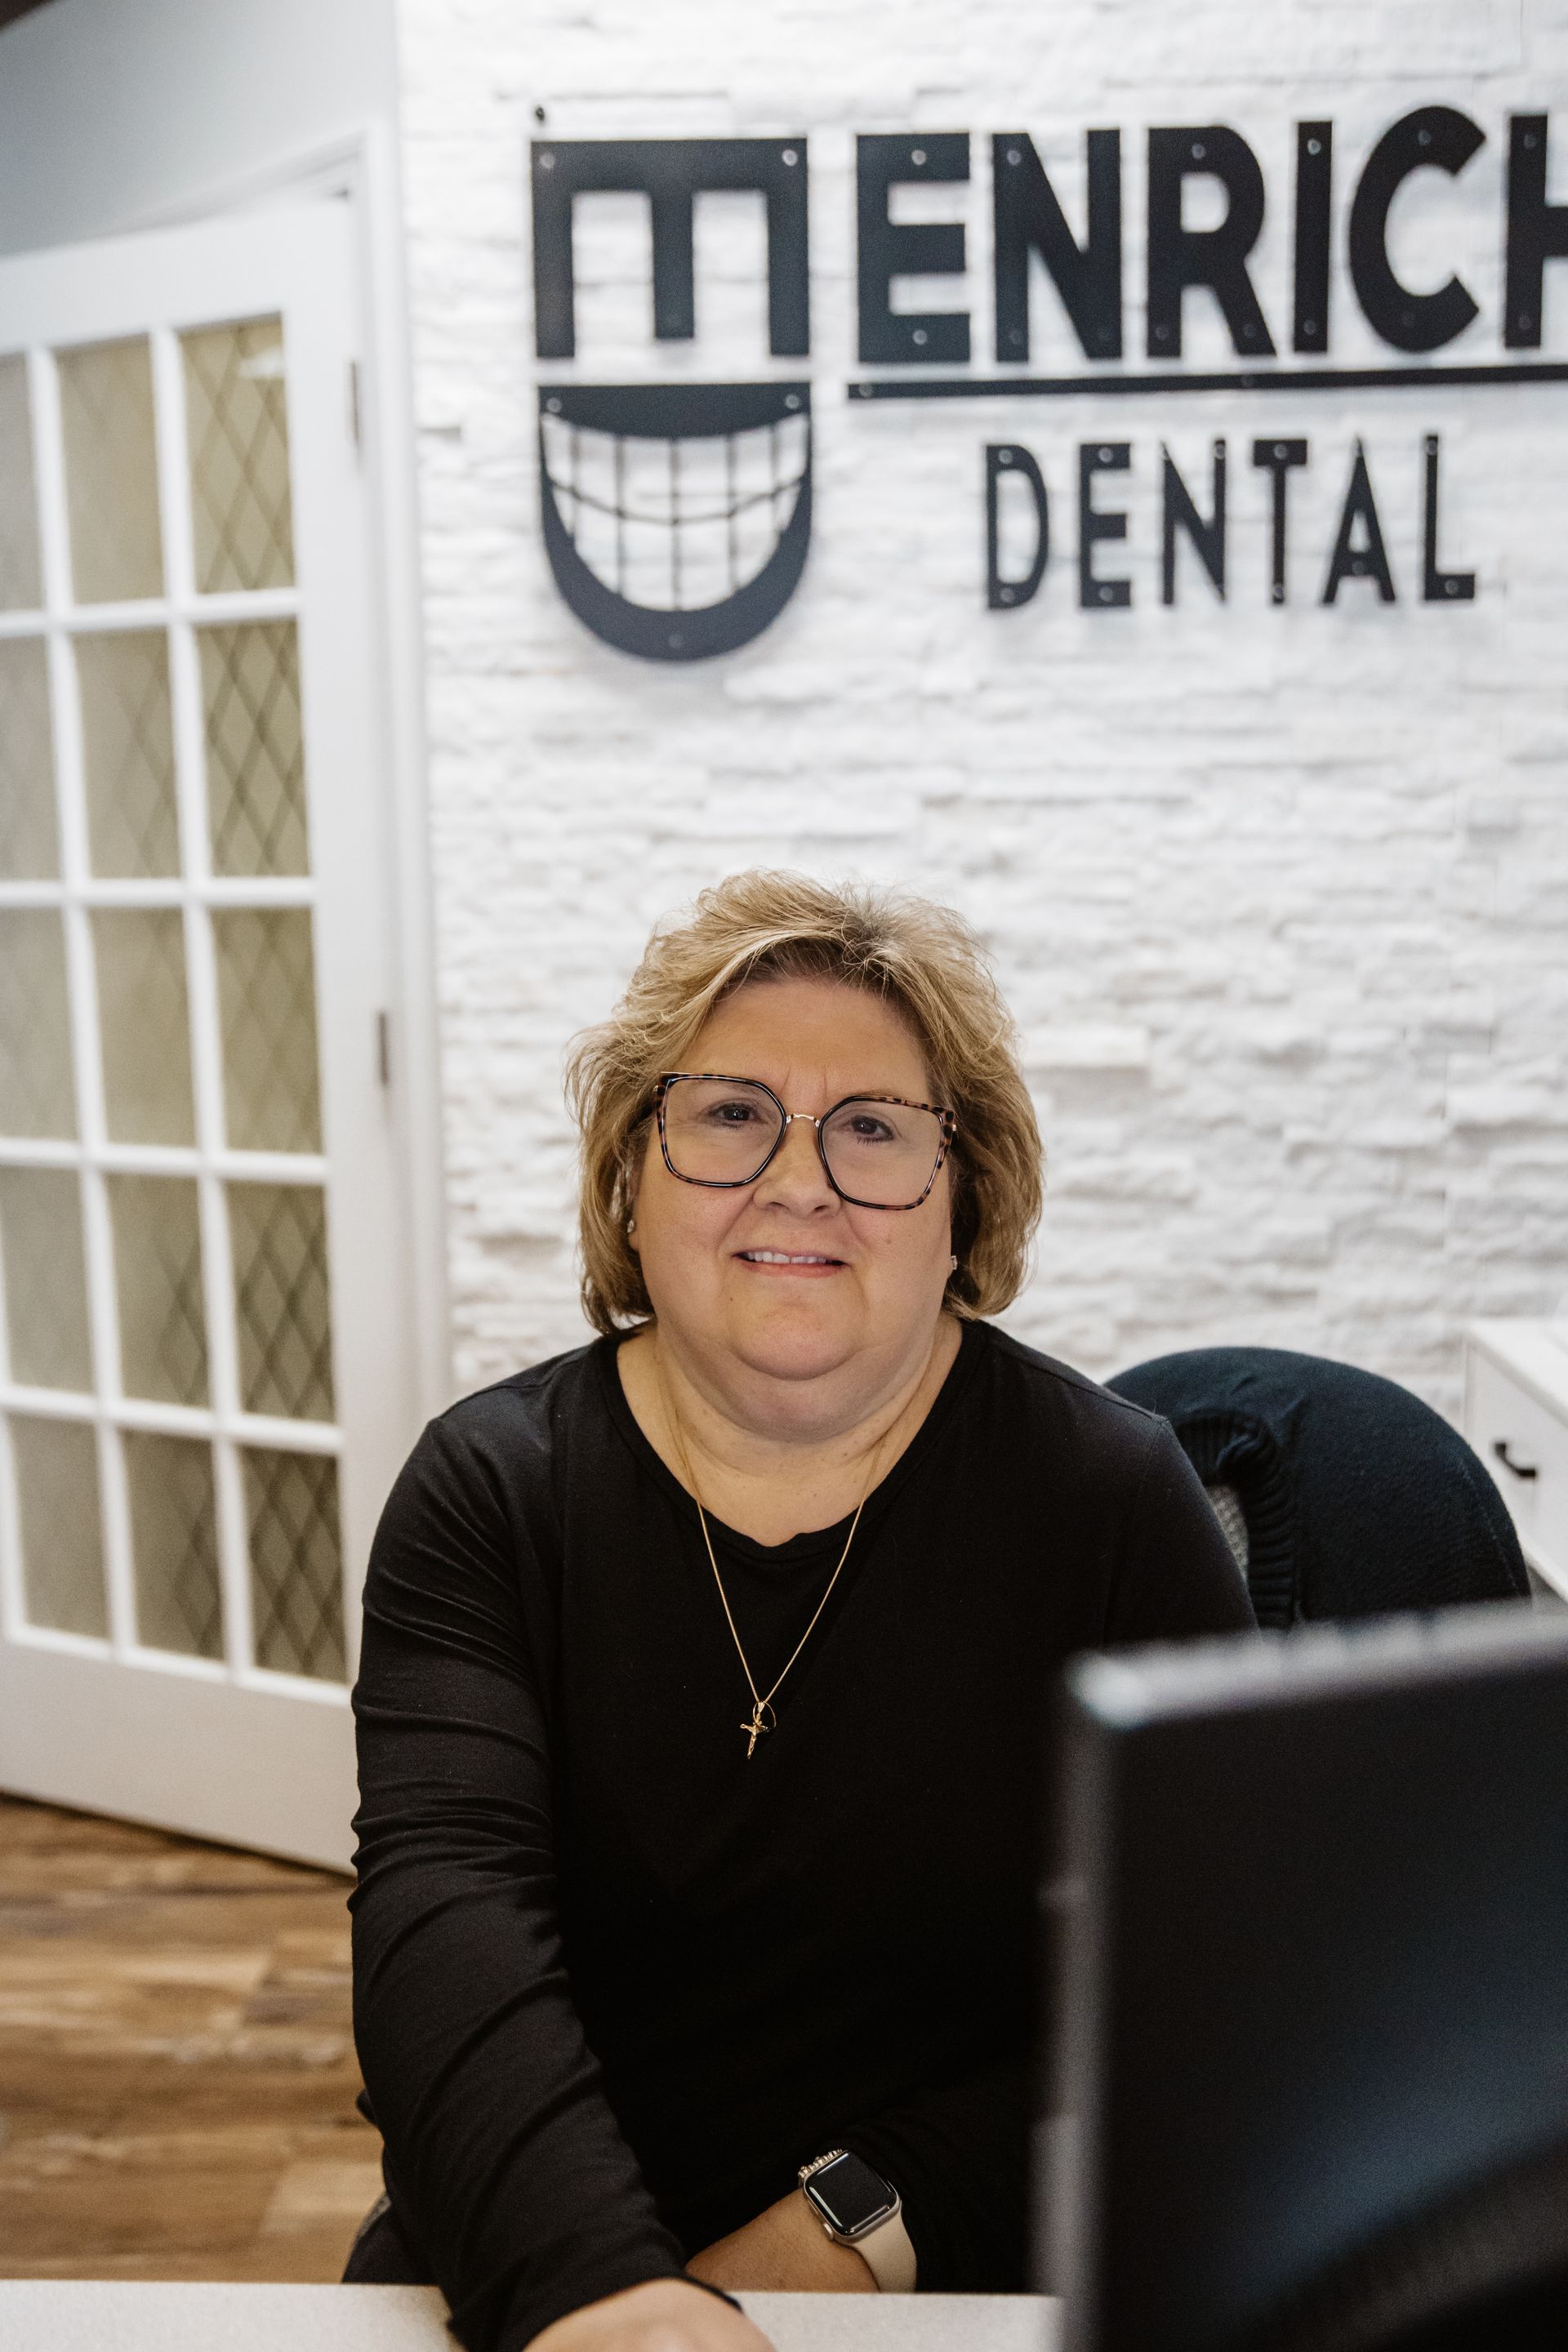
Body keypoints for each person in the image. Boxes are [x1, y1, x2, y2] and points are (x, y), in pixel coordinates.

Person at [346, 871, 1254, 2352]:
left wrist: (832, 2242)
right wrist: (606, 2290)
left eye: (873, 1129)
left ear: (965, 1195)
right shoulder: (491, 1489)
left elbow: (1197, 2011)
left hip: (953, 2269)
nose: (799, 1181)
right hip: (530, 2239)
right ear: (630, 1175)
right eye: (730, 1115)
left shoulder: (1108, 1500)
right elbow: (447, 1926)